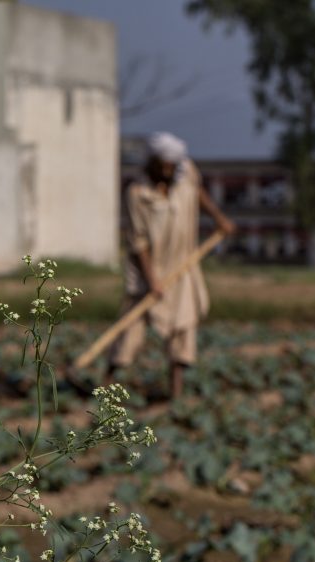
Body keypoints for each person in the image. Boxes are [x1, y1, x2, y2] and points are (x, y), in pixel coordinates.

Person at [107, 132, 235, 399]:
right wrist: (152, 279)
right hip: (149, 272)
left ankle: (175, 395)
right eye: (165, 166)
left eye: (172, 166)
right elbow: (138, 241)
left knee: (182, 332)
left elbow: (198, 193)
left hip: (182, 268)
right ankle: (106, 385)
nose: (169, 170)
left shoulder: (185, 176)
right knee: (130, 330)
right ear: (153, 163)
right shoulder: (138, 194)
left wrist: (219, 218)